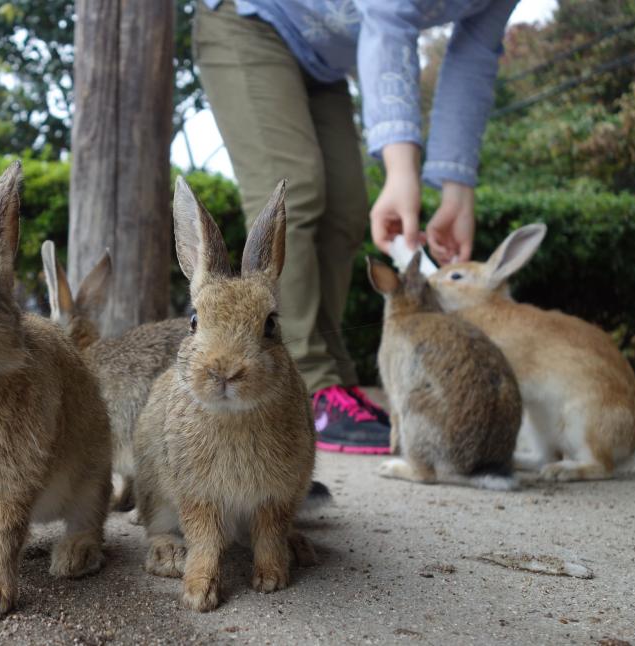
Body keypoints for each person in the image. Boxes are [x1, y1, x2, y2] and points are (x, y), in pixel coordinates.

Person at [193, 0, 519, 453]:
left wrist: (457, 187)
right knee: (293, 191)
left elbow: (475, 54)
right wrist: (401, 169)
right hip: (249, 17)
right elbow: (388, 14)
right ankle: (306, 385)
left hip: (325, 61)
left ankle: (336, 384)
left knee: (347, 207)